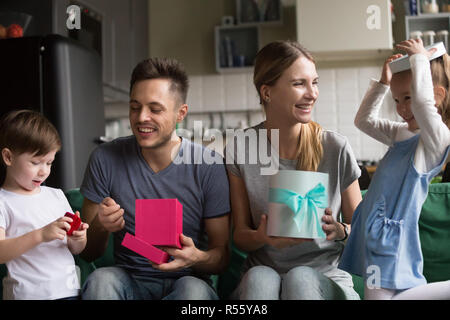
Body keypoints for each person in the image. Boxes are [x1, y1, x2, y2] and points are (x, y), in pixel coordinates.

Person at [80, 57, 230, 300]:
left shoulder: (208, 165)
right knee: (101, 280)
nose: (141, 118)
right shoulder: (104, 158)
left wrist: (196, 257)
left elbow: (221, 258)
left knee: (193, 293)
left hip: (187, 281)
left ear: (181, 113)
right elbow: (87, 253)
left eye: (155, 109)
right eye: (135, 107)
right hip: (128, 280)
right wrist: (100, 225)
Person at [225, 40, 362, 300]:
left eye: (315, 82)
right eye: (299, 83)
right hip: (264, 273)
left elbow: (363, 228)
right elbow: (240, 236)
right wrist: (262, 237)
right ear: (267, 92)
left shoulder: (335, 146)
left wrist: (341, 230)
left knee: (300, 278)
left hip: (326, 276)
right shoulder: (240, 147)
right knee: (259, 278)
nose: (312, 93)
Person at [339, 38, 450, 300]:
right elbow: (363, 121)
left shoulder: (436, 140)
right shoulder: (401, 132)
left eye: (408, 98)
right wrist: (382, 84)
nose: (400, 108)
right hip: (376, 239)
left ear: (436, 95)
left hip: (392, 245)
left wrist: (420, 59)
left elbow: (424, 108)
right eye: (396, 99)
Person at [0, 110, 88, 300]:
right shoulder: (3, 201)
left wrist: (78, 237)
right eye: (36, 162)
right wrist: (40, 235)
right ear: (8, 157)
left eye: (49, 163)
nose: (43, 172)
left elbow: (75, 249)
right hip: (28, 294)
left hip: (69, 290)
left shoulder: (56, 196)